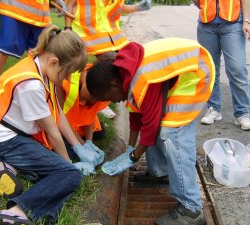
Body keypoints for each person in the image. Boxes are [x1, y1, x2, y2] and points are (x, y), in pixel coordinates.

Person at [0, 24, 103, 225]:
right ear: (54, 61)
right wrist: (68, 165)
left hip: (5, 133)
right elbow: (52, 131)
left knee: (64, 158)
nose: (68, 79)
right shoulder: (31, 85)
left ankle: (6, 166)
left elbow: (56, 112)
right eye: (68, 73)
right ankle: (14, 213)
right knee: (69, 175)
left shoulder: (40, 66)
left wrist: (78, 146)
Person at [86, 38, 215, 225]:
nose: (113, 102)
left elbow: (151, 128)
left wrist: (133, 157)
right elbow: (138, 117)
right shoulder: (126, 74)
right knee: (155, 125)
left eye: (109, 98)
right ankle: (161, 172)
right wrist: (130, 147)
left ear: (113, 84)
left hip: (197, 72)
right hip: (183, 70)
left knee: (172, 133)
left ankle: (191, 209)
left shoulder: (142, 80)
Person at [64, 0, 152, 118]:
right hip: (89, 35)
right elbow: (69, 4)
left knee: (118, 74)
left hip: (114, 37)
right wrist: (67, 27)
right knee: (101, 74)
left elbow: (118, 7)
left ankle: (112, 102)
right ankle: (97, 102)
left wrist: (135, 8)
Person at [0, 0, 66, 109]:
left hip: (39, 13)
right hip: (14, 7)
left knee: (41, 53)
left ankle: (40, 93)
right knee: (6, 47)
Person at [193, 0, 250, 130]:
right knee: (210, 70)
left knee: (237, 69)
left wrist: (246, 21)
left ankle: (242, 113)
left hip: (233, 25)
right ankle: (213, 109)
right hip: (206, 26)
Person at [60, 66, 109, 142]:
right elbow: (61, 124)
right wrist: (81, 144)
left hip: (76, 122)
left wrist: (89, 142)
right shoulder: (66, 88)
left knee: (100, 132)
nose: (93, 101)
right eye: (93, 97)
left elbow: (89, 116)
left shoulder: (97, 90)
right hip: (63, 123)